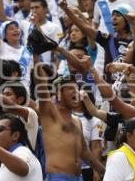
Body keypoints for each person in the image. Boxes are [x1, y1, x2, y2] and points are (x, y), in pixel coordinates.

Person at [33, 51, 104, 180]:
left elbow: (85, 152)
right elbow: (41, 85)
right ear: (58, 94)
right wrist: (35, 56)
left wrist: (102, 171)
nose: (76, 92)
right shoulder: (49, 116)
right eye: (71, 89)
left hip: (78, 177)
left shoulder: (77, 121)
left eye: (77, 88)